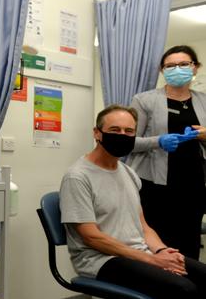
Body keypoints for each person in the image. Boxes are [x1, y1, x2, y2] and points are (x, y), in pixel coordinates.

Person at [60, 104, 206, 298]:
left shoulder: (128, 172)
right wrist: (152, 260)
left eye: (129, 131)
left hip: (139, 254)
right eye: (115, 130)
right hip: (101, 260)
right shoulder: (78, 177)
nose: (122, 135)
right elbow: (92, 237)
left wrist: (162, 251)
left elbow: (143, 226)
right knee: (184, 288)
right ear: (97, 133)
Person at [127, 45, 206, 260]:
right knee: (159, 245)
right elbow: (127, 141)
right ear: (162, 71)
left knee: (189, 244)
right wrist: (158, 141)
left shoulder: (203, 101)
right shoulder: (144, 100)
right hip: (156, 186)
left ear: (195, 68)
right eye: (170, 66)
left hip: (194, 184)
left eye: (183, 64)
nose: (177, 69)